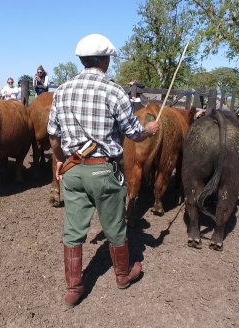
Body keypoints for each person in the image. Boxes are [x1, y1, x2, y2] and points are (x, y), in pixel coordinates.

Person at [47, 33, 159, 308]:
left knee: (73, 231)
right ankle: (122, 275)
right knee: (114, 227)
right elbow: (133, 133)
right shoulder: (113, 91)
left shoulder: (61, 90)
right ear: (105, 61)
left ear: (82, 61)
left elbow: (53, 136)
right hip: (103, 172)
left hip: (73, 171)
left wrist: (60, 160)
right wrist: (150, 130)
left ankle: (73, 288)